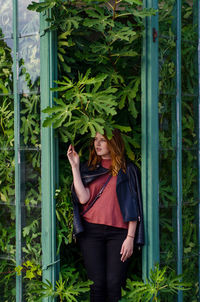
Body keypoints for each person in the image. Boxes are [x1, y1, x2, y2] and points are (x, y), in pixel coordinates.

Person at [67, 129, 144, 302]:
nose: (97, 144)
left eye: (102, 140)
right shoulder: (90, 167)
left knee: (115, 283)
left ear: (113, 141)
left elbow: (134, 204)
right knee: (97, 284)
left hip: (120, 234)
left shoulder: (128, 169)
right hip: (91, 232)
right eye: (95, 140)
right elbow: (83, 198)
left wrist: (130, 236)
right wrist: (75, 166)